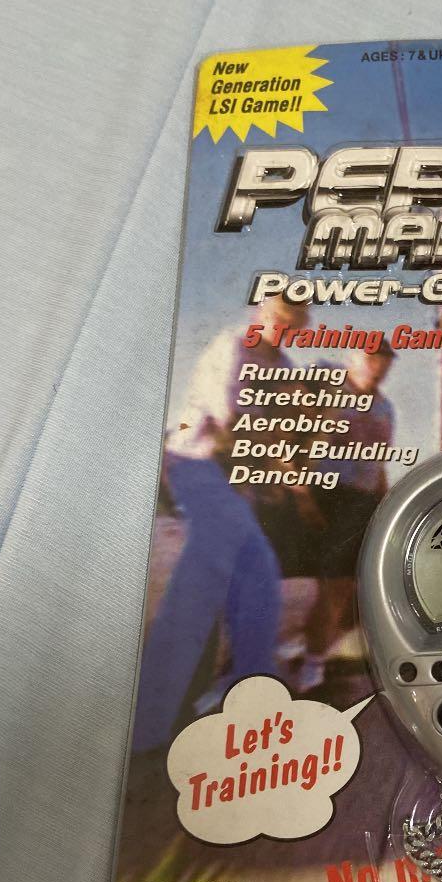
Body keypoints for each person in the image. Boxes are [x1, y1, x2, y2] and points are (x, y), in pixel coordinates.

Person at [131, 298, 308, 752]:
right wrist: (278, 459)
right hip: (197, 465)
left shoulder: (284, 366)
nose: (285, 331)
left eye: (295, 324)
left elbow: (284, 432)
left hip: (237, 482)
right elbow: (232, 421)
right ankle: (152, 722)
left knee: (252, 583)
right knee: (228, 576)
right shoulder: (232, 347)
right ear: (260, 316)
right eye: (279, 320)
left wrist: (284, 466)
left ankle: (243, 699)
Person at [294, 342, 396, 693]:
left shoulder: (385, 408)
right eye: (370, 360)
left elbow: (379, 463)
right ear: (353, 359)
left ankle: (315, 660)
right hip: (322, 491)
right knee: (324, 581)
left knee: (343, 584)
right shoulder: (330, 381)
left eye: (383, 363)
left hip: (361, 499)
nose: (377, 368)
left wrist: (384, 502)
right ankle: (310, 660)